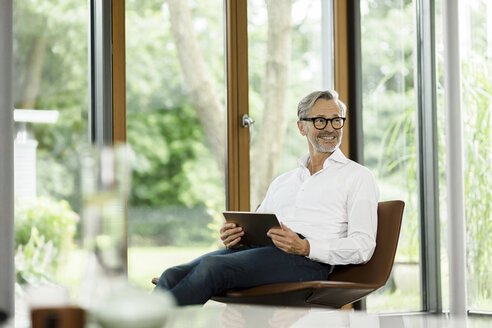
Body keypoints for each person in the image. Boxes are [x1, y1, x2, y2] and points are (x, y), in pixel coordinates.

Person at [154, 90, 379, 306]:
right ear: (302, 127)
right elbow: (258, 232)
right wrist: (236, 236)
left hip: (307, 262)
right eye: (320, 120)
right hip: (263, 253)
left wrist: (306, 247)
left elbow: (363, 246)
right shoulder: (283, 181)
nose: (330, 128)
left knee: (212, 267)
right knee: (172, 274)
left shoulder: (358, 176)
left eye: (336, 120)